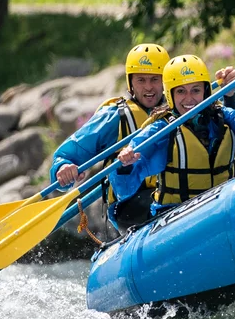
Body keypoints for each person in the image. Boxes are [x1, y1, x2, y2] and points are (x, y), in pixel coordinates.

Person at [111, 54, 235, 217]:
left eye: (195, 90)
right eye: (181, 91)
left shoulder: (224, 117)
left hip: (220, 210)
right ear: (170, 95)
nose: (189, 99)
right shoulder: (162, 130)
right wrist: (125, 164)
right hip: (174, 215)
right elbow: (124, 188)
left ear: (205, 91)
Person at [49, 43, 171, 228]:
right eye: (141, 80)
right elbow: (66, 155)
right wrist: (63, 167)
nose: (149, 87)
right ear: (130, 82)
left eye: (155, 79)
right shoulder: (114, 117)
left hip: (172, 194)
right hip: (131, 205)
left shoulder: (181, 108)